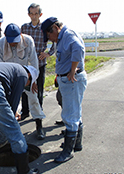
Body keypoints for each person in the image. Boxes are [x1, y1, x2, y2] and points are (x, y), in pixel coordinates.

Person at [41, 17, 87, 163]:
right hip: (68, 80)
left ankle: (68, 151)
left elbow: (78, 49)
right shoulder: (61, 38)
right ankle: (76, 144)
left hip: (72, 80)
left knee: (69, 114)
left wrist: (72, 71)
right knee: (75, 111)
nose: (49, 38)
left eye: (49, 35)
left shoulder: (68, 35)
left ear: (54, 28)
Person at [0, 23, 46, 140]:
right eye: (11, 40)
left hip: (26, 75)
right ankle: (11, 130)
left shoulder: (28, 41)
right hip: (11, 77)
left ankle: (39, 126)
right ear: (5, 35)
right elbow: (1, 66)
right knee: (10, 104)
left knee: (34, 99)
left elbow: (34, 62)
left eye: (16, 40)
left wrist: (32, 79)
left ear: (21, 34)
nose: (13, 43)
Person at [21, 3, 56, 121]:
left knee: (39, 89)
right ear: (28, 14)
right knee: (24, 88)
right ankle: (25, 111)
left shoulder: (44, 28)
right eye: (32, 13)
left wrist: (48, 54)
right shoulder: (24, 28)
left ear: (40, 14)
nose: (34, 16)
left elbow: (55, 42)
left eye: (36, 13)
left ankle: (38, 111)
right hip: (26, 64)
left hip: (40, 64)